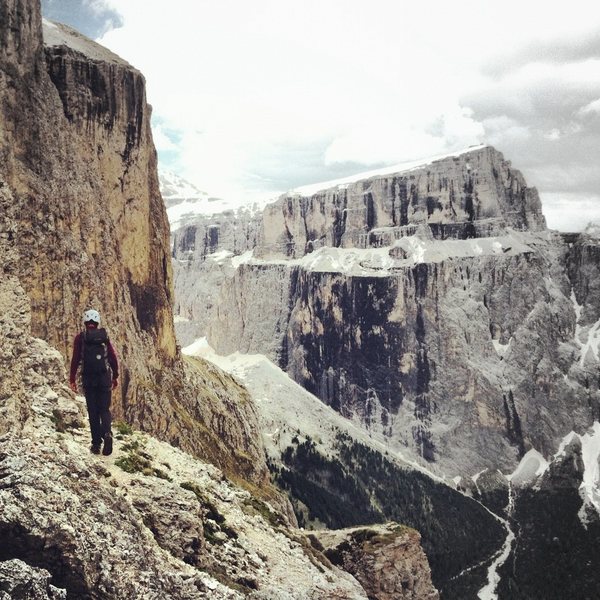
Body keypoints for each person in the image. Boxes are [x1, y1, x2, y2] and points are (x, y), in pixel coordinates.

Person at [69, 309, 119, 455]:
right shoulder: (104, 336)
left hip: (89, 379)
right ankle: (107, 433)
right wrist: (115, 376)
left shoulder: (80, 338)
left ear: (85, 322)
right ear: (97, 322)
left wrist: (72, 379)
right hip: (104, 378)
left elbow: (75, 359)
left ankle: (96, 444)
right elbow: (112, 357)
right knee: (104, 409)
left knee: (93, 411)